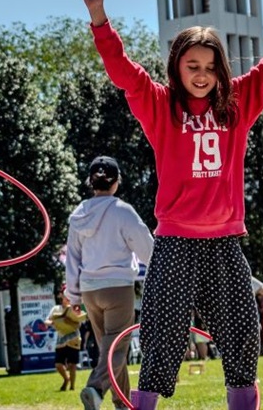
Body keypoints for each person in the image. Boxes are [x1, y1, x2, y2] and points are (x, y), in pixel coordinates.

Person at [71, 0, 263, 410]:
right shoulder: (158, 104)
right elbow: (122, 71)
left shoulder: (238, 102)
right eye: (192, 65)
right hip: (175, 241)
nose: (202, 74)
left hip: (225, 241)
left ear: (220, 71)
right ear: (175, 67)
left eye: (211, 67)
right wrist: (99, 18)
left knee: (241, 334)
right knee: (162, 337)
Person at [64, 155, 154, 410]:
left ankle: (123, 404)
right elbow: (147, 249)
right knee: (117, 347)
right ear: (117, 182)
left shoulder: (79, 214)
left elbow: (72, 258)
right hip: (118, 288)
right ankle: (95, 388)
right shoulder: (123, 211)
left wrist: (73, 296)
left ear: (90, 182)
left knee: (110, 350)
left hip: (90, 290)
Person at [45, 293, 87, 392]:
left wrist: (69, 322)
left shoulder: (76, 308)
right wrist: (54, 323)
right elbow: (46, 321)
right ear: (62, 297)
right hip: (61, 339)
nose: (68, 298)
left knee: (72, 364)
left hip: (74, 339)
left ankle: (72, 387)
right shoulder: (56, 308)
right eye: (65, 296)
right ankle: (66, 379)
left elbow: (79, 324)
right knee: (58, 364)